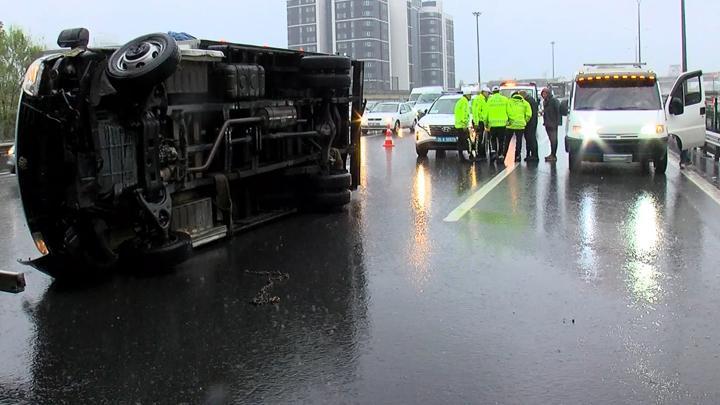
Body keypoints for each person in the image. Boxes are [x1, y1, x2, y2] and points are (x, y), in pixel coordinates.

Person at [484, 86, 509, 163]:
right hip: (502, 124)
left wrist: (486, 123)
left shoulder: (489, 100)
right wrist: (509, 120)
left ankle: (493, 152)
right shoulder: (505, 99)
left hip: (492, 124)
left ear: (492, 92)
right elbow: (508, 111)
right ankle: (501, 155)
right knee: (501, 140)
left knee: (493, 139)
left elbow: (486, 113)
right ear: (499, 91)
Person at [506, 91, 532, 162]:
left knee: (507, 141)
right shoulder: (525, 103)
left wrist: (510, 120)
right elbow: (529, 115)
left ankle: (504, 155)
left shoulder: (509, 102)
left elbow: (507, 112)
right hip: (520, 125)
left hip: (510, 125)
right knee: (519, 141)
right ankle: (517, 156)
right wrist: (525, 121)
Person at [541, 87, 561, 162]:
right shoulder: (545, 101)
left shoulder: (554, 101)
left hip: (553, 123)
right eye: (543, 94)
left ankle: (553, 155)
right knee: (551, 140)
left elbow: (558, 111)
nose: (544, 95)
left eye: (545, 93)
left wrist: (558, 122)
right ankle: (551, 154)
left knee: (554, 140)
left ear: (548, 93)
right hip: (547, 123)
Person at [521, 90, 539, 161]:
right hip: (530, 122)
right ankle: (529, 154)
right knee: (528, 139)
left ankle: (534, 155)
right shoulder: (530, 100)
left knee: (531, 139)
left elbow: (531, 113)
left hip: (530, 123)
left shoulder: (529, 102)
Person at [471, 87, 490, 159]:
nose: (488, 95)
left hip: (482, 122)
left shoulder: (484, 100)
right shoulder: (479, 99)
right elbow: (475, 112)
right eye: (488, 93)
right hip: (478, 122)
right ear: (484, 92)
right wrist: (476, 123)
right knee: (478, 139)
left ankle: (481, 154)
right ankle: (478, 154)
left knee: (481, 139)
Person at [454, 90, 472, 161]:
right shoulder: (465, 102)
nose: (470, 96)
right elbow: (464, 114)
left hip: (458, 125)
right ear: (466, 95)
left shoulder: (459, 102)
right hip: (463, 126)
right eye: (470, 95)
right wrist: (464, 124)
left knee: (460, 141)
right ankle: (469, 155)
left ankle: (461, 156)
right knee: (467, 141)